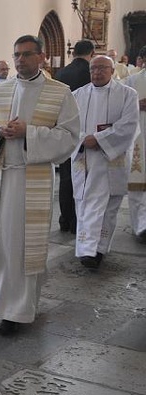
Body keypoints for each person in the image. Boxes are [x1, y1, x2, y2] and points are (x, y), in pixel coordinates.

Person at [0, 35, 80, 336]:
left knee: (25, 246)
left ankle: (20, 311)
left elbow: (70, 136)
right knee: (5, 248)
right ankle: (8, 307)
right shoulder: (0, 91)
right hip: (2, 178)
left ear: (42, 57)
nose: (20, 60)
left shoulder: (60, 93)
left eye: (26, 55)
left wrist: (28, 133)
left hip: (32, 177)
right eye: (16, 55)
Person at [71, 55, 139, 268]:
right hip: (85, 160)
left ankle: (98, 249)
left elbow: (129, 125)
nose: (97, 73)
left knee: (108, 208)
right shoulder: (76, 96)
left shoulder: (127, 94)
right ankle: (85, 250)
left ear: (112, 71)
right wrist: (84, 139)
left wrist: (99, 139)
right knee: (84, 205)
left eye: (102, 68)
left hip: (111, 159)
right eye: (93, 69)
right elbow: (68, 125)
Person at [54, 39, 95, 234]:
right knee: (84, 178)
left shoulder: (61, 72)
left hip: (63, 131)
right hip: (85, 131)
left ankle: (65, 219)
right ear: (91, 53)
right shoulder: (91, 72)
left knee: (66, 176)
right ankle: (78, 221)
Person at [123, 45, 146, 240]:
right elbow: (119, 106)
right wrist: (136, 104)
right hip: (138, 137)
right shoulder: (131, 81)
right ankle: (141, 226)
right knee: (138, 183)